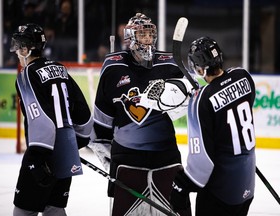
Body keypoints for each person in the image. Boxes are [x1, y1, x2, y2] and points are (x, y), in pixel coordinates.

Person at [88, 13, 194, 216]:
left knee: (177, 209)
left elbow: (191, 98)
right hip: (127, 157)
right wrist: (102, 147)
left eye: (149, 35)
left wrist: (178, 95)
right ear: (129, 37)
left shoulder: (170, 64)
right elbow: (103, 115)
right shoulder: (113, 67)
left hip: (165, 154)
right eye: (142, 34)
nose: (147, 40)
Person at [146, 36, 256, 215]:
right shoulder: (243, 76)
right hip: (246, 184)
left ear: (201, 68)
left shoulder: (202, 99)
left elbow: (202, 163)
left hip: (221, 192)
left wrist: (182, 185)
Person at [10, 23, 93, 216]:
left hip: (42, 151)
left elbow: (40, 117)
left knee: (23, 211)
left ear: (26, 48)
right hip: (65, 149)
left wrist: (36, 159)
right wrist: (74, 144)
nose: (15, 51)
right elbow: (84, 114)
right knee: (54, 208)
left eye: (18, 46)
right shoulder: (60, 69)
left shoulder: (26, 75)